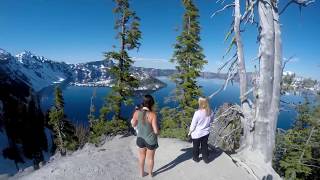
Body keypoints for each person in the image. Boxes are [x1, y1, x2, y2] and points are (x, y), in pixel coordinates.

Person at [131, 95, 159, 177]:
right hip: (150, 139)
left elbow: (134, 124)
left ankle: (142, 173)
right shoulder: (152, 115)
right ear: (151, 104)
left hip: (140, 138)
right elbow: (156, 131)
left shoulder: (136, 112)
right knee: (150, 158)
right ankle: (150, 174)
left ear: (143, 102)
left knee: (141, 157)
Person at [188, 97, 214, 163]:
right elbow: (211, 121)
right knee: (204, 146)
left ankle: (196, 158)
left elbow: (193, 125)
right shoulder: (211, 111)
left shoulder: (197, 113)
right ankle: (206, 159)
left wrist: (190, 132)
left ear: (201, 103)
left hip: (197, 134)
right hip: (206, 133)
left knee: (196, 147)